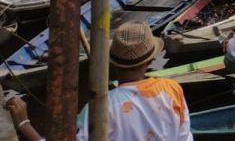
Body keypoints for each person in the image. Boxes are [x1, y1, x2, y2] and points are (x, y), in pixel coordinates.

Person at [5, 20, 193, 140]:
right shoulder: (171, 89)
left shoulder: (99, 108)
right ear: (151, 60)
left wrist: (24, 124)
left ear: (111, 63)